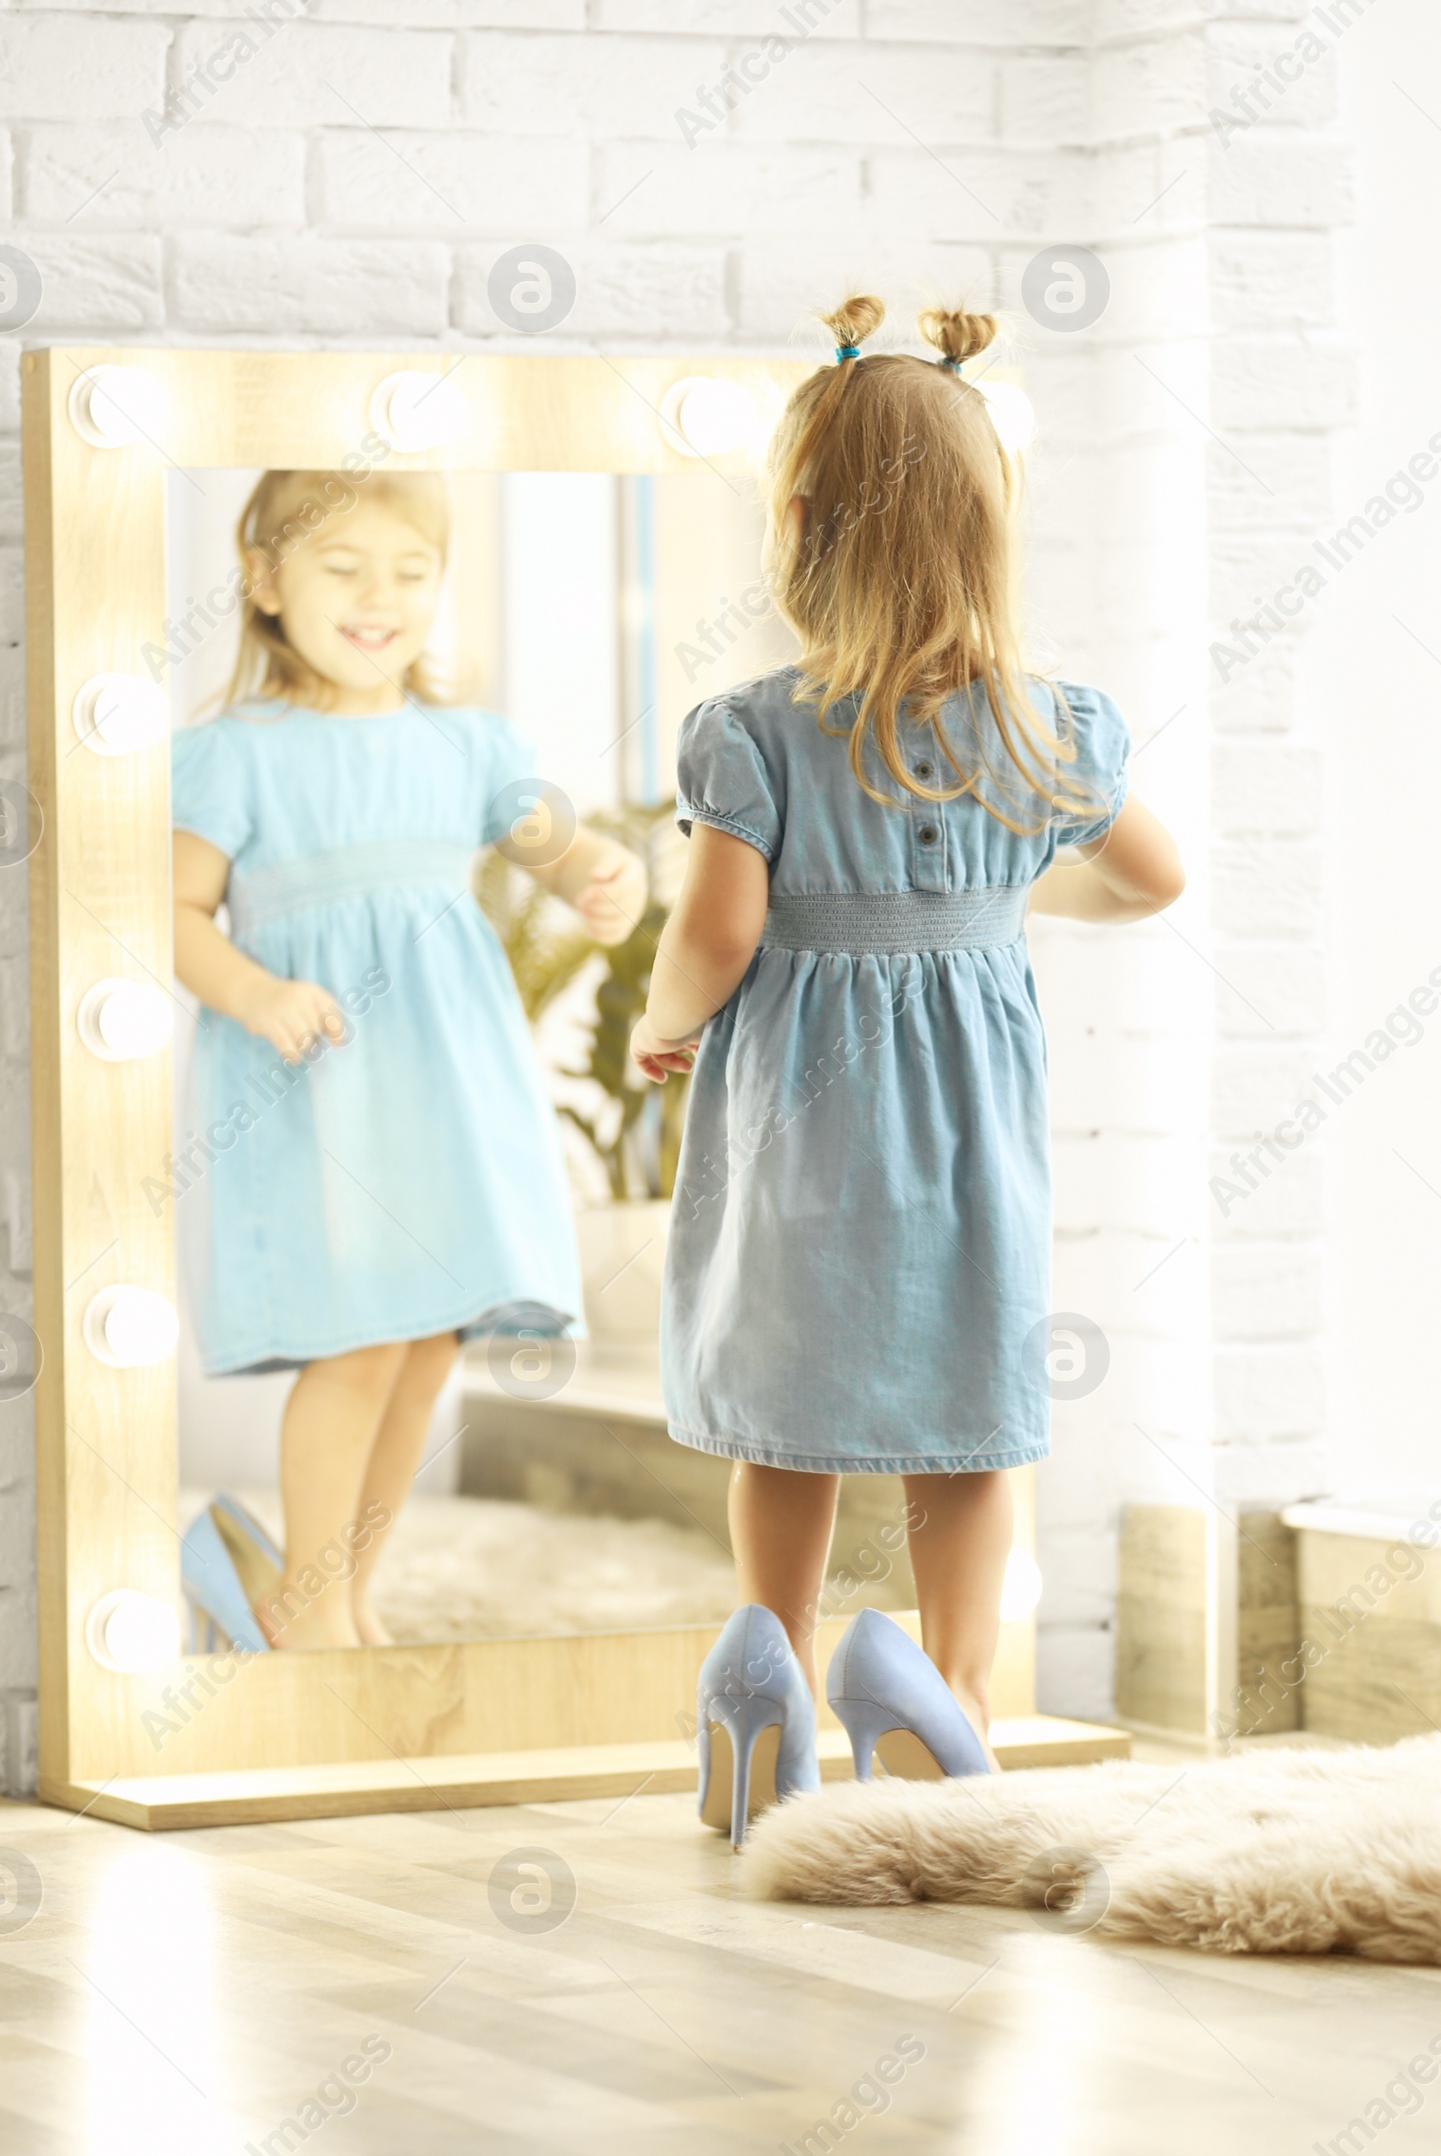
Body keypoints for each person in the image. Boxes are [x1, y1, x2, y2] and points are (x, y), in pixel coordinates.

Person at [630, 297, 1184, 1844]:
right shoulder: (1047, 728)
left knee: (784, 1425)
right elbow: (1156, 879)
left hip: (799, 1125)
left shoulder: (754, 733)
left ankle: (768, 1668)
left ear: (798, 526)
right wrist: (998, 901)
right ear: (991, 527)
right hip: (965, 1137)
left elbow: (720, 928)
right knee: (968, 1419)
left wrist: (660, 1027)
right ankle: (952, 1689)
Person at [172, 469, 646, 1650]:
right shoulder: (237, 753)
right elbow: (172, 914)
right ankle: (302, 1604)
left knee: (429, 1340)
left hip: (447, 1079)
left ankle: (341, 1588)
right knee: (358, 1336)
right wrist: (255, 988)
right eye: (343, 570)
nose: (379, 598)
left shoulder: (469, 744)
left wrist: (602, 876)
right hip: (319, 1075)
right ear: (267, 583)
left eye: (411, 572)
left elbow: (562, 846)